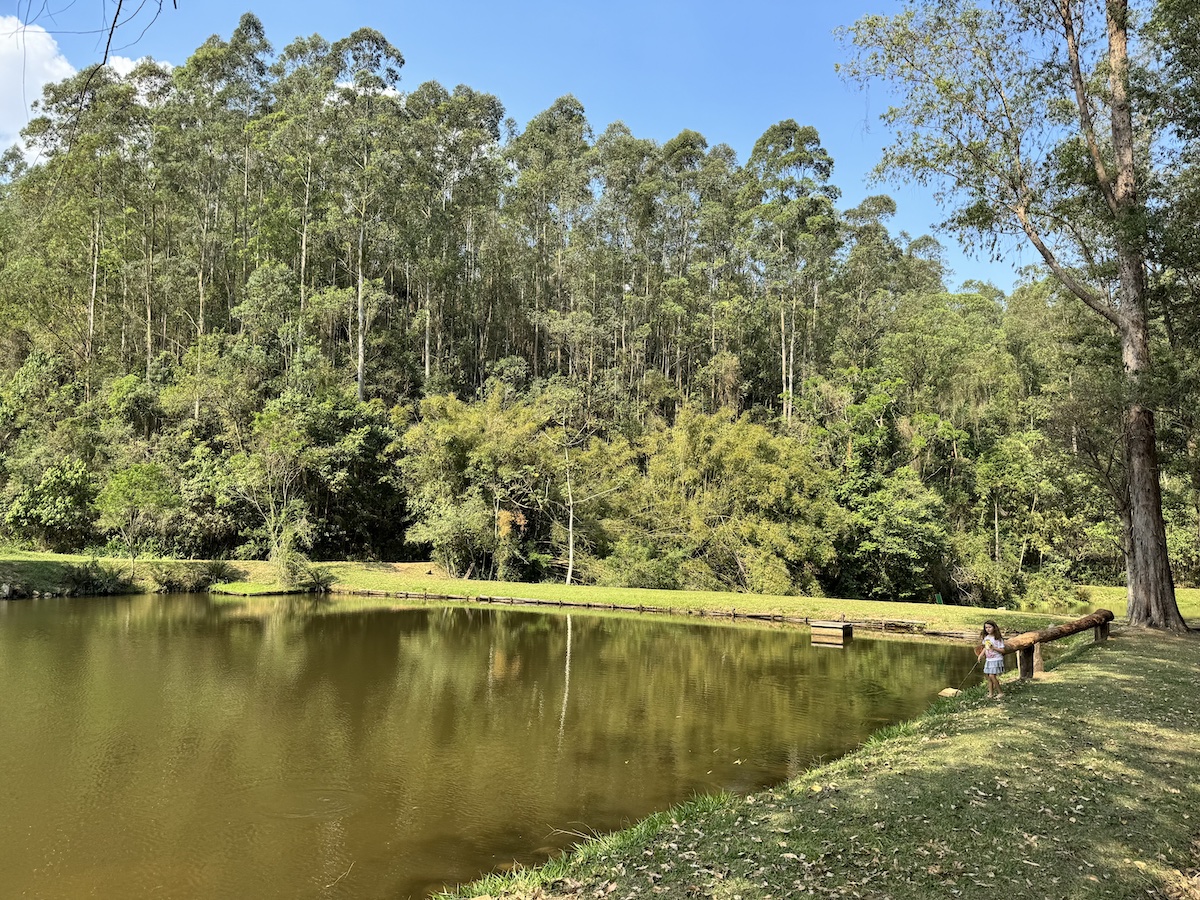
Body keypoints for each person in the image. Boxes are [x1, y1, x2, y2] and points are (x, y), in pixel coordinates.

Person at [977, 620, 1006, 699]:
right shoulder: (987, 638)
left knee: (992, 676)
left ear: (994, 628)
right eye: (986, 628)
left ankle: (1000, 692)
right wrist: (980, 655)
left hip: (996, 659)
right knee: (988, 677)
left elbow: (1003, 650)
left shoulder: (998, 639)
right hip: (989, 660)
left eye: (990, 627)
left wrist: (994, 648)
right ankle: (990, 693)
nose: (988, 629)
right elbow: (985, 648)